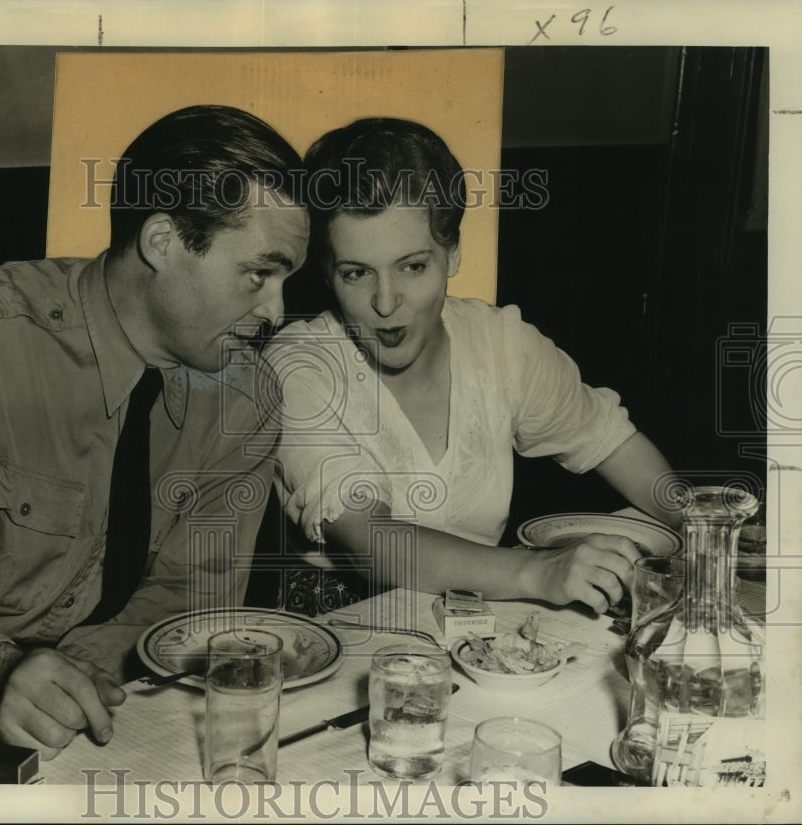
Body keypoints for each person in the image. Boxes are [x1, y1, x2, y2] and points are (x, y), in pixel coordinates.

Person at [0, 105, 308, 773]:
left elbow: (189, 601)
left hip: (102, 706)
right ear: (163, 241)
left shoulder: (251, 398)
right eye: (260, 274)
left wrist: (38, 691)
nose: (276, 312)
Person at [265, 116, 677, 616]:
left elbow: (611, 441)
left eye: (413, 266)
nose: (386, 302)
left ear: (453, 252)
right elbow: (371, 540)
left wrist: (704, 528)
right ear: (327, 274)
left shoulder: (501, 345)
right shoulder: (296, 367)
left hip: (482, 625)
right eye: (357, 273)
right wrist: (539, 571)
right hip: (339, 636)